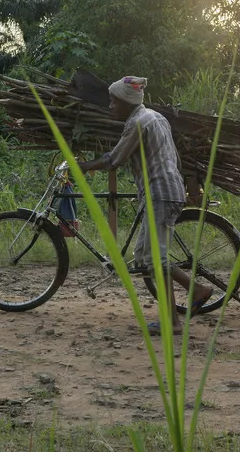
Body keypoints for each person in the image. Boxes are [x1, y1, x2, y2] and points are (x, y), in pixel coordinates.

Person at [77, 76, 213, 335]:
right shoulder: (155, 117)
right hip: (166, 190)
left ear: (127, 101)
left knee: (155, 259)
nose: (110, 107)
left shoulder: (137, 124)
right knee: (144, 257)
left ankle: (172, 322)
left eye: (113, 102)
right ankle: (197, 289)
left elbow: (114, 159)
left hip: (160, 193)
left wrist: (84, 167)